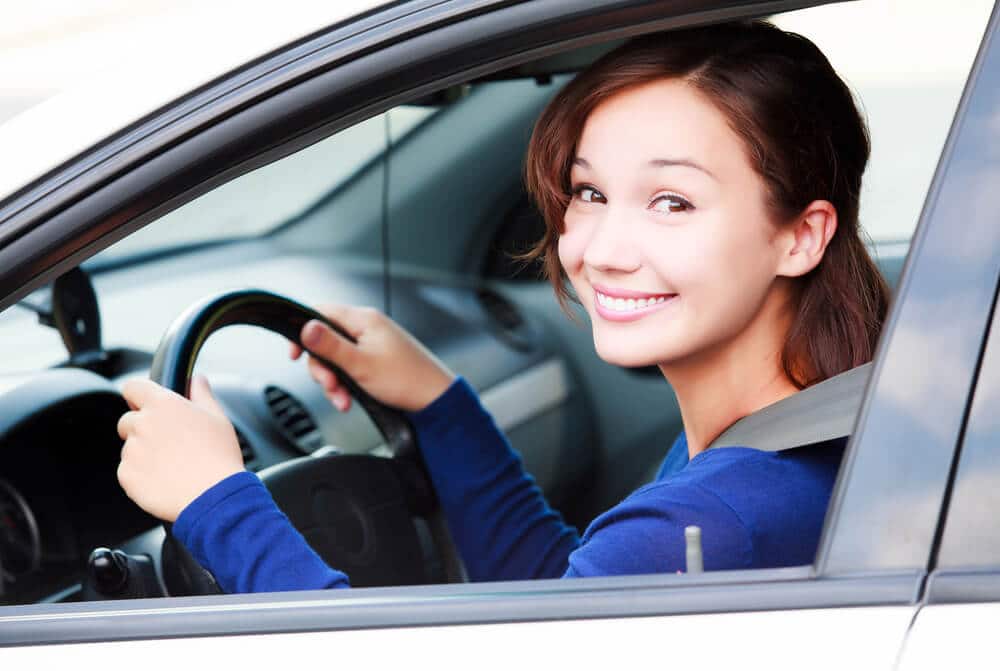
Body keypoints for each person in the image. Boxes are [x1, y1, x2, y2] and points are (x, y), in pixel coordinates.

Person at [115, 20, 890, 593]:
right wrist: (439, 401)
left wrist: (215, 500)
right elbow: (561, 600)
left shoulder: (716, 520)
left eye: (672, 200)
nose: (603, 248)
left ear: (800, 237)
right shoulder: (782, 444)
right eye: (589, 192)